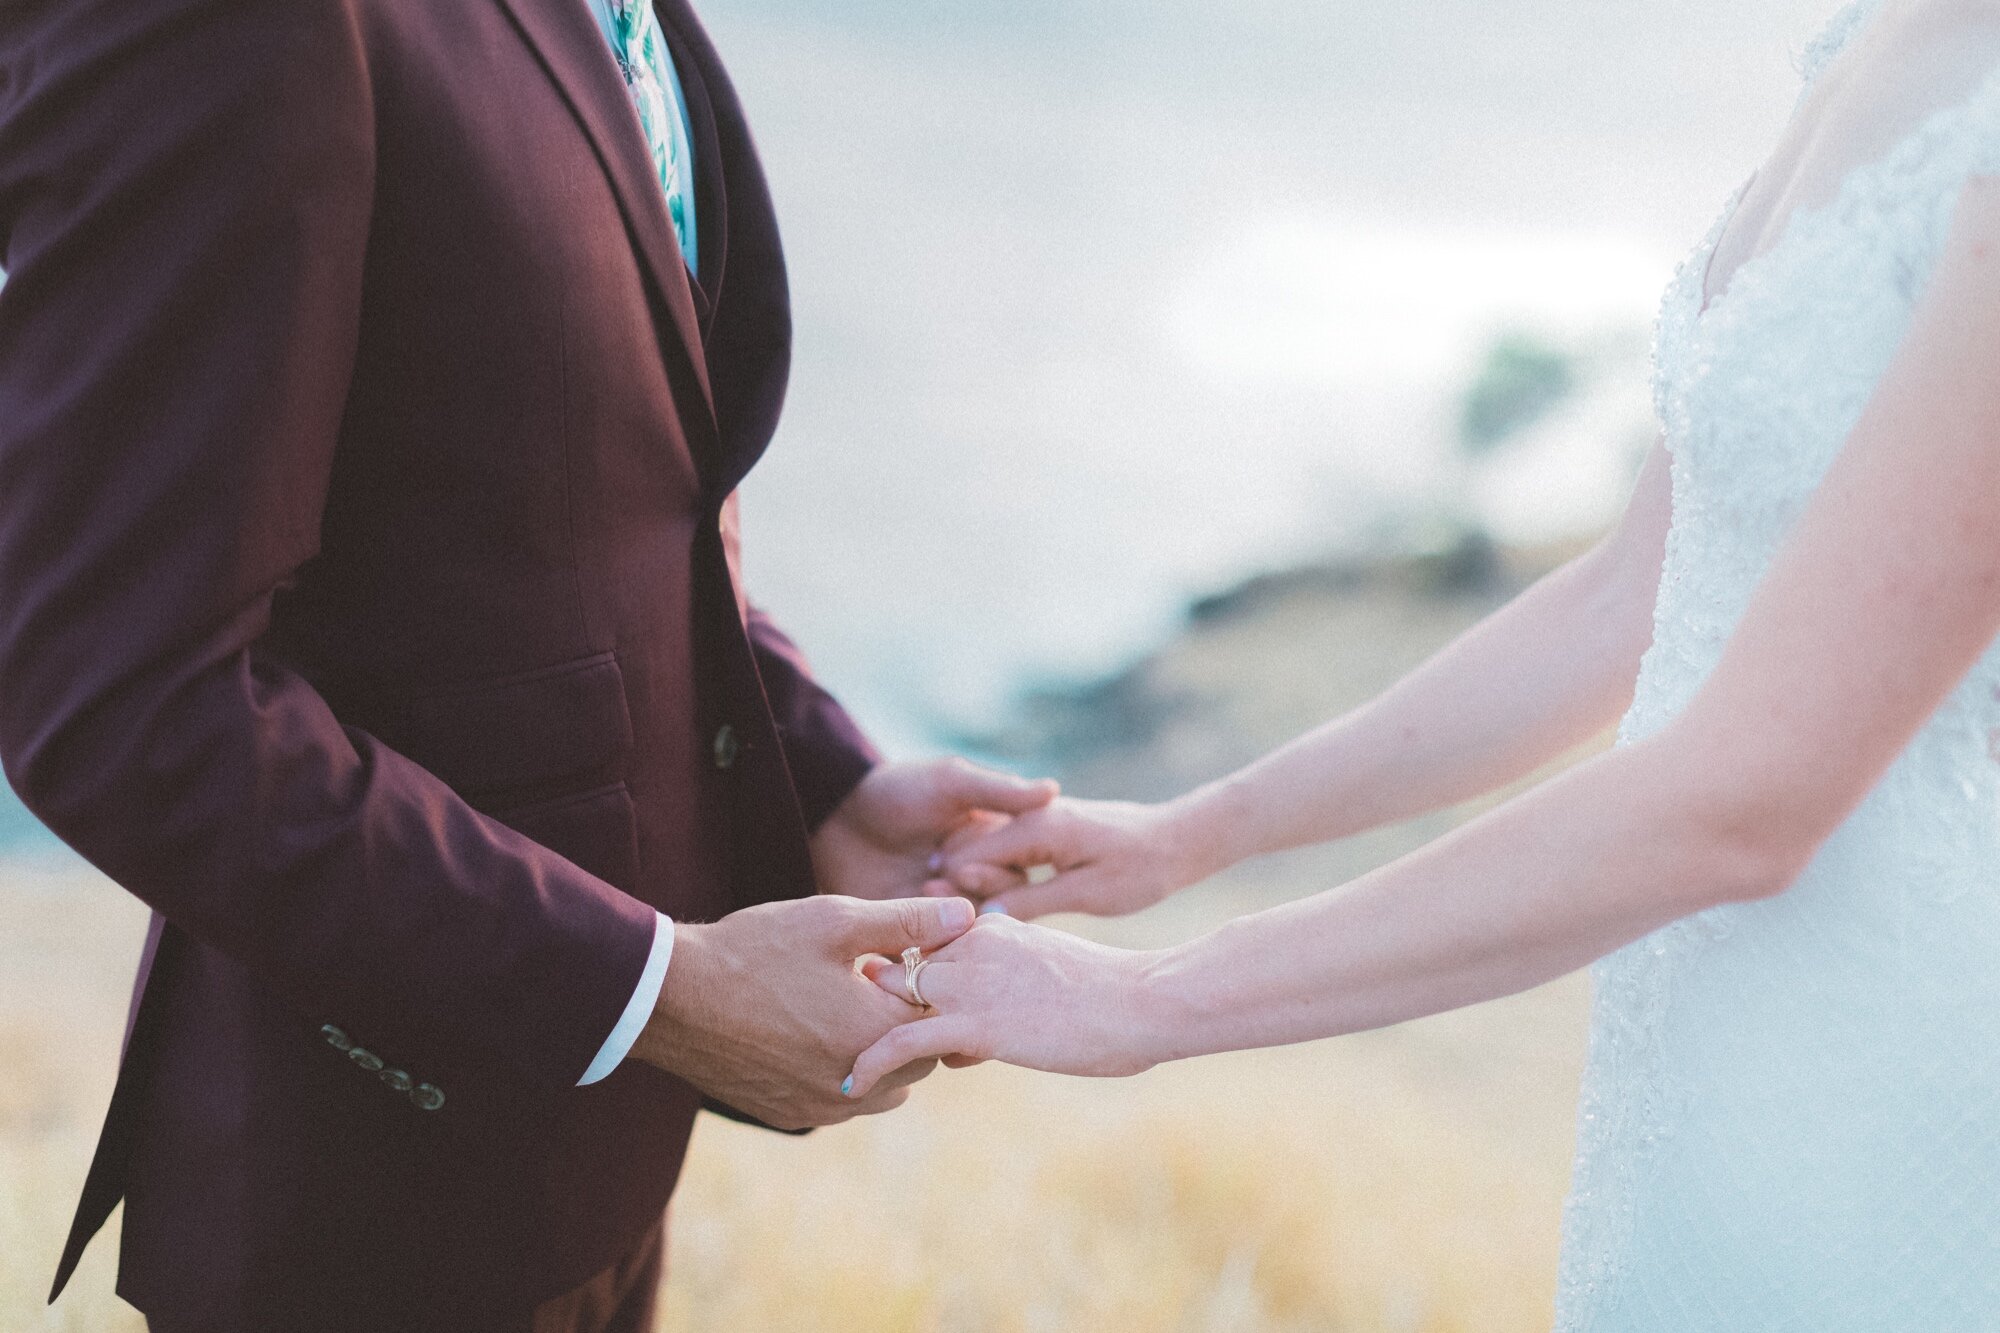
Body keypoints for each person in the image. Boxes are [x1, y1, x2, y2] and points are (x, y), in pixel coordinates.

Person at [849, 1, 2000, 1324]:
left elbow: (1750, 797)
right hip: (1707, 1071)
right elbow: (1630, 593)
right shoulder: (1872, 34)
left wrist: (1152, 999)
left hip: (1888, 1084)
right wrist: (1198, 832)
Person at [0, 0, 1049, 1328]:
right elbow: (125, 703)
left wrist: (816, 776)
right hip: (369, 1216)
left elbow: (573, 499)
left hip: (587, 1184)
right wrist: (655, 991)